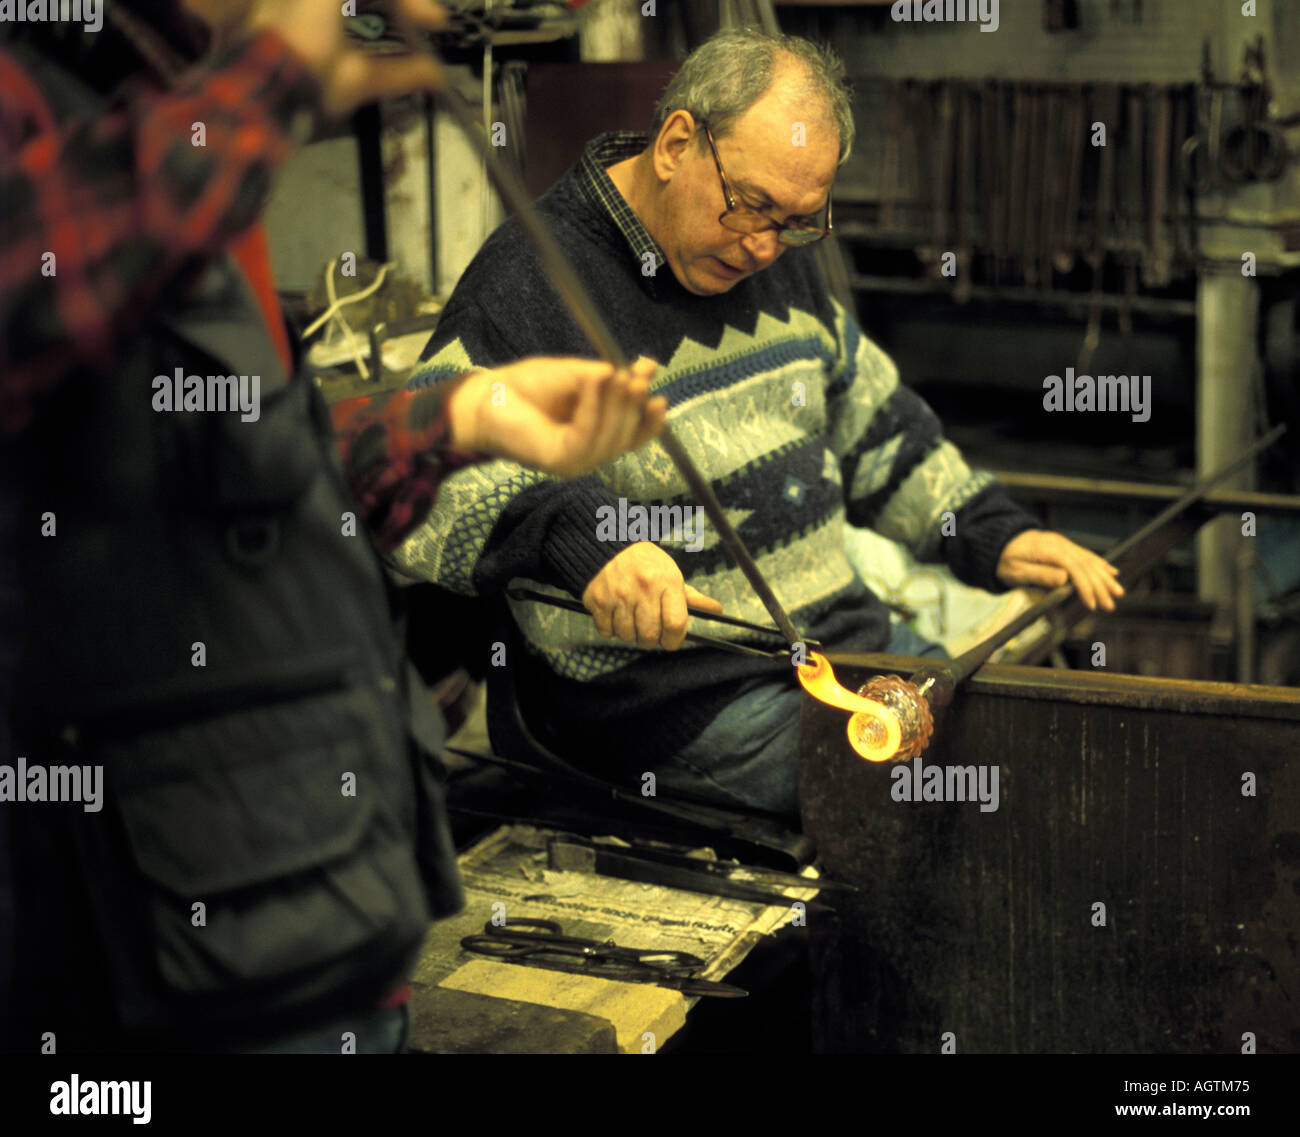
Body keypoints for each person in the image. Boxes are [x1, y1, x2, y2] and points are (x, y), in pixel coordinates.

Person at [0, 0, 664, 1052]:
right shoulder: (86, 118)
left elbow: (230, 464)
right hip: (141, 952)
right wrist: (269, 81)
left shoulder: (168, 122)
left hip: (303, 905)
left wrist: (462, 415)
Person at [393, 28, 1124, 816]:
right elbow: (420, 468)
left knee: (1026, 745)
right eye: (752, 207)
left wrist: (989, 530)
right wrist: (582, 543)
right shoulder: (527, 280)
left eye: (800, 221)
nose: (765, 245)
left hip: (837, 643)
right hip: (670, 699)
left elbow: (873, 423)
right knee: (946, 805)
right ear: (677, 142)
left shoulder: (776, 252)